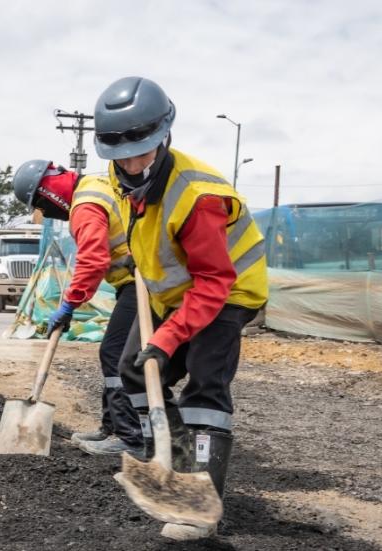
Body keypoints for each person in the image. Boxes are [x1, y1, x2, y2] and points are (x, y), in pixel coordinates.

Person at [95, 77, 268, 540]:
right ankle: (167, 463)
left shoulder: (198, 195)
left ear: (164, 138)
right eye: (121, 156)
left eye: (143, 152)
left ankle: (198, 508)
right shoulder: (120, 176)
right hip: (174, 295)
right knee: (135, 370)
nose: (132, 164)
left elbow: (215, 280)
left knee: (204, 390)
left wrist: (167, 339)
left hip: (228, 294)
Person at [12, 159, 143, 458]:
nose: (45, 214)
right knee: (114, 351)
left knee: (115, 353)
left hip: (143, 282)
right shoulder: (94, 186)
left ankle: (130, 436)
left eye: (41, 206)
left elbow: (93, 258)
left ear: (48, 192)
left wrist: (70, 304)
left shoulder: (84, 204)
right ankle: (111, 427)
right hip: (135, 280)